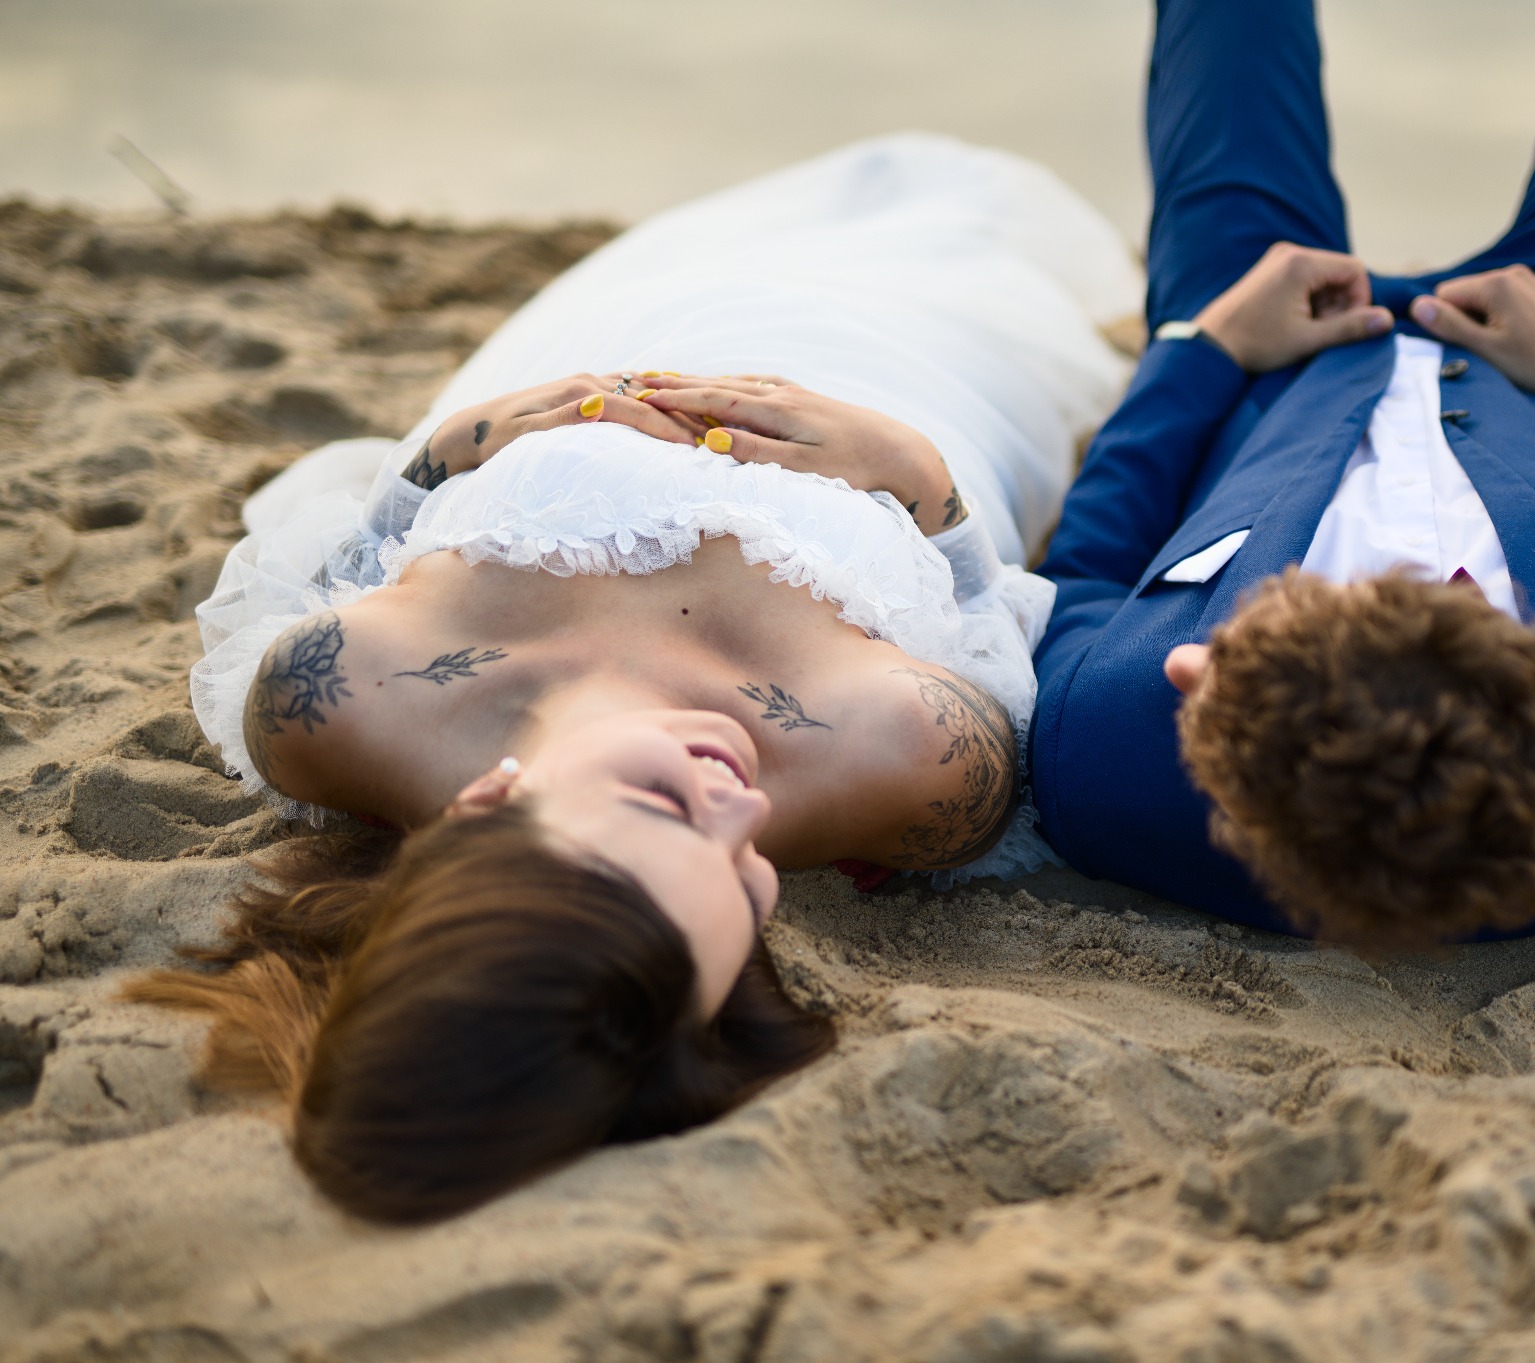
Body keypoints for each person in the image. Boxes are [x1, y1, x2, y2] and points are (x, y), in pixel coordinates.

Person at [139, 135, 1143, 1222]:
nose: (741, 803)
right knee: (968, 249)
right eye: (754, 880)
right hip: (901, 379)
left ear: (487, 802)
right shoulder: (898, 755)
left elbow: (336, 558)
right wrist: (917, 477)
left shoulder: (336, 704)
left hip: (604, 343)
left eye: (666, 806)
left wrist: (443, 454)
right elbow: (994, 621)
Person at [1031, 0, 1535, 950]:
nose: (1187, 661)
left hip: (1268, 352)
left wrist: (1207, 346)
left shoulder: (1100, 754)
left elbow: (1088, 566)